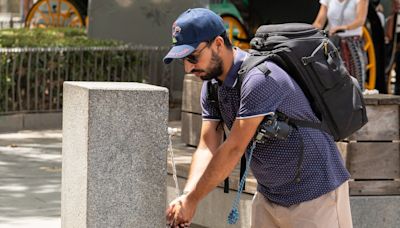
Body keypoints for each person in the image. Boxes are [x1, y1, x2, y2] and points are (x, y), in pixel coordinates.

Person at [164, 8, 352, 228]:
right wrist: (188, 194)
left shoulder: (259, 78)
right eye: (182, 60)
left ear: (217, 43)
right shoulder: (212, 87)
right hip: (270, 195)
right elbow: (207, 145)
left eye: (192, 57)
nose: (188, 68)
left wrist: (194, 200)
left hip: (316, 194)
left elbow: (234, 147)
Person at [313, 0, 369, 91]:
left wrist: (344, 27)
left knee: (355, 78)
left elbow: (360, 20)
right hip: (333, 43)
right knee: (331, 77)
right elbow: (319, 23)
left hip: (352, 43)